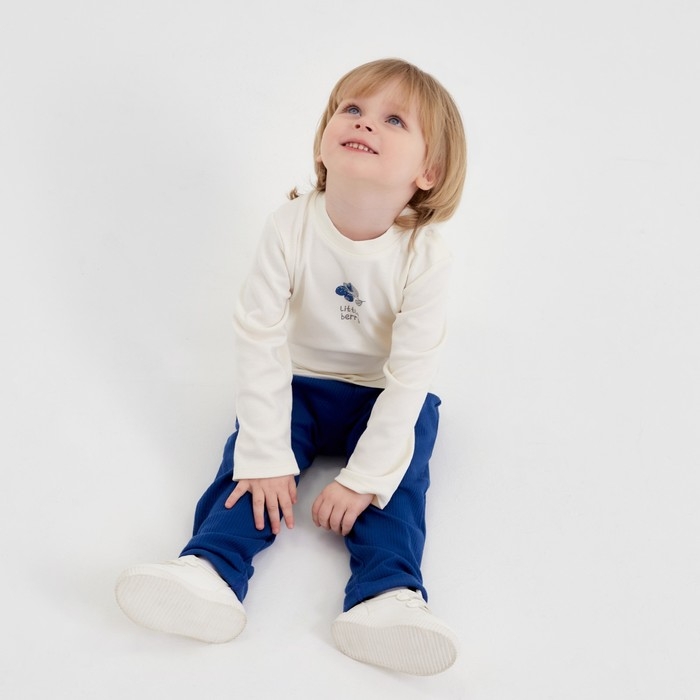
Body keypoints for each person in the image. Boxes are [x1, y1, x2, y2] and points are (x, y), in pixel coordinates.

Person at [115, 57, 467, 676]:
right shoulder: (290, 225)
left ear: (428, 172)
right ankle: (209, 569)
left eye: (393, 120)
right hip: (298, 386)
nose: (364, 123)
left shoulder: (424, 254)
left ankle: (387, 596)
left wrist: (364, 477)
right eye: (351, 109)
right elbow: (260, 338)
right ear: (326, 136)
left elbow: (411, 374)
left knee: (399, 479)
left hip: (380, 395)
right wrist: (266, 452)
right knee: (247, 474)